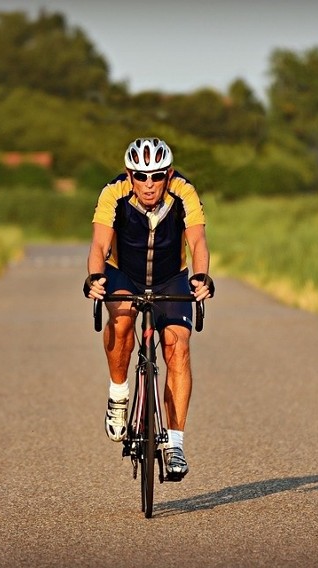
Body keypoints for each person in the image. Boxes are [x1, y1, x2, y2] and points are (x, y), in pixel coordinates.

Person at [84, 137, 214, 481]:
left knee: (178, 346)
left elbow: (198, 240)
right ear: (130, 174)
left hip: (170, 277)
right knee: (123, 316)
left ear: (168, 174)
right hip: (123, 273)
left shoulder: (184, 191)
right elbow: (99, 243)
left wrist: (201, 276)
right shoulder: (113, 192)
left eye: (157, 176)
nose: (149, 184)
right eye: (141, 176)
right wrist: (95, 277)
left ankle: (174, 444)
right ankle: (118, 394)